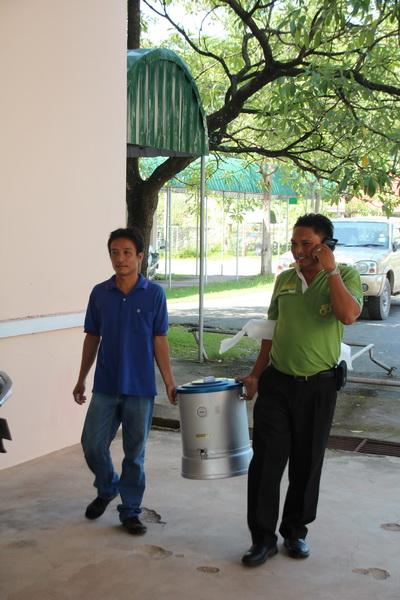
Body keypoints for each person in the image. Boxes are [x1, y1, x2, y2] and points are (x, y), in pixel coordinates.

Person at [238, 213, 363, 567]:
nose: (298, 251)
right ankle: (262, 539)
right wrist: (255, 375)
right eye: (294, 243)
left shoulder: (345, 276)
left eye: (306, 244)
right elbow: (270, 332)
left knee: (307, 464)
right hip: (278, 383)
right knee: (266, 463)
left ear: (326, 245)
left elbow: (348, 315)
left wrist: (331, 272)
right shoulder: (284, 280)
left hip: (319, 386)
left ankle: (295, 532)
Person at [73, 226, 176, 535]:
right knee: (92, 445)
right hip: (106, 385)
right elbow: (92, 337)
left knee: (134, 454)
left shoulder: (154, 294)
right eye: (114, 253)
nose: (120, 259)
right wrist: (81, 378)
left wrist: (169, 382)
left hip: (140, 388)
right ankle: (107, 487)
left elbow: (160, 340)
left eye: (127, 253)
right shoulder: (100, 293)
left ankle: (130, 511)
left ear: (140, 256)